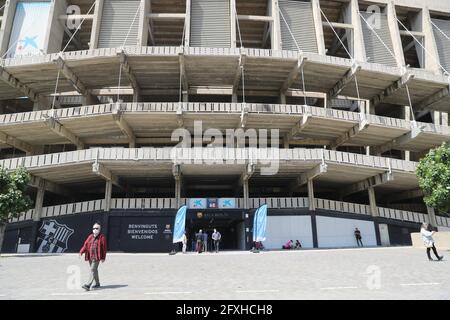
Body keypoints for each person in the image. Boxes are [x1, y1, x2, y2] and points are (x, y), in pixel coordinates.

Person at [79, 222, 107, 291]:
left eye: (97, 228)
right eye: (94, 228)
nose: (95, 229)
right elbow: (85, 245)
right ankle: (97, 283)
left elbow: (104, 248)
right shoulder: (90, 236)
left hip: (97, 257)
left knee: (92, 269)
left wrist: (103, 257)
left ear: (100, 229)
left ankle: (88, 285)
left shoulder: (102, 237)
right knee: (94, 270)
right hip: (90, 256)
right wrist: (81, 252)